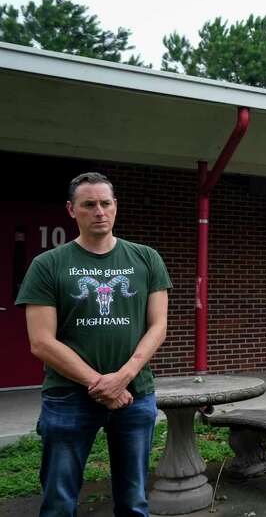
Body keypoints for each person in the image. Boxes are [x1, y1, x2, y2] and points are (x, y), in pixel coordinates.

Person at [16, 172, 172, 517]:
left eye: (105, 203)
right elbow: (41, 342)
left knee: (133, 500)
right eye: (89, 205)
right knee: (59, 500)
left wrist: (123, 377)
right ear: (72, 210)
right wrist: (99, 383)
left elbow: (158, 325)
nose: (99, 211)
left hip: (135, 394)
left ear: (115, 207)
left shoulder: (146, 259)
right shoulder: (48, 265)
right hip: (68, 397)